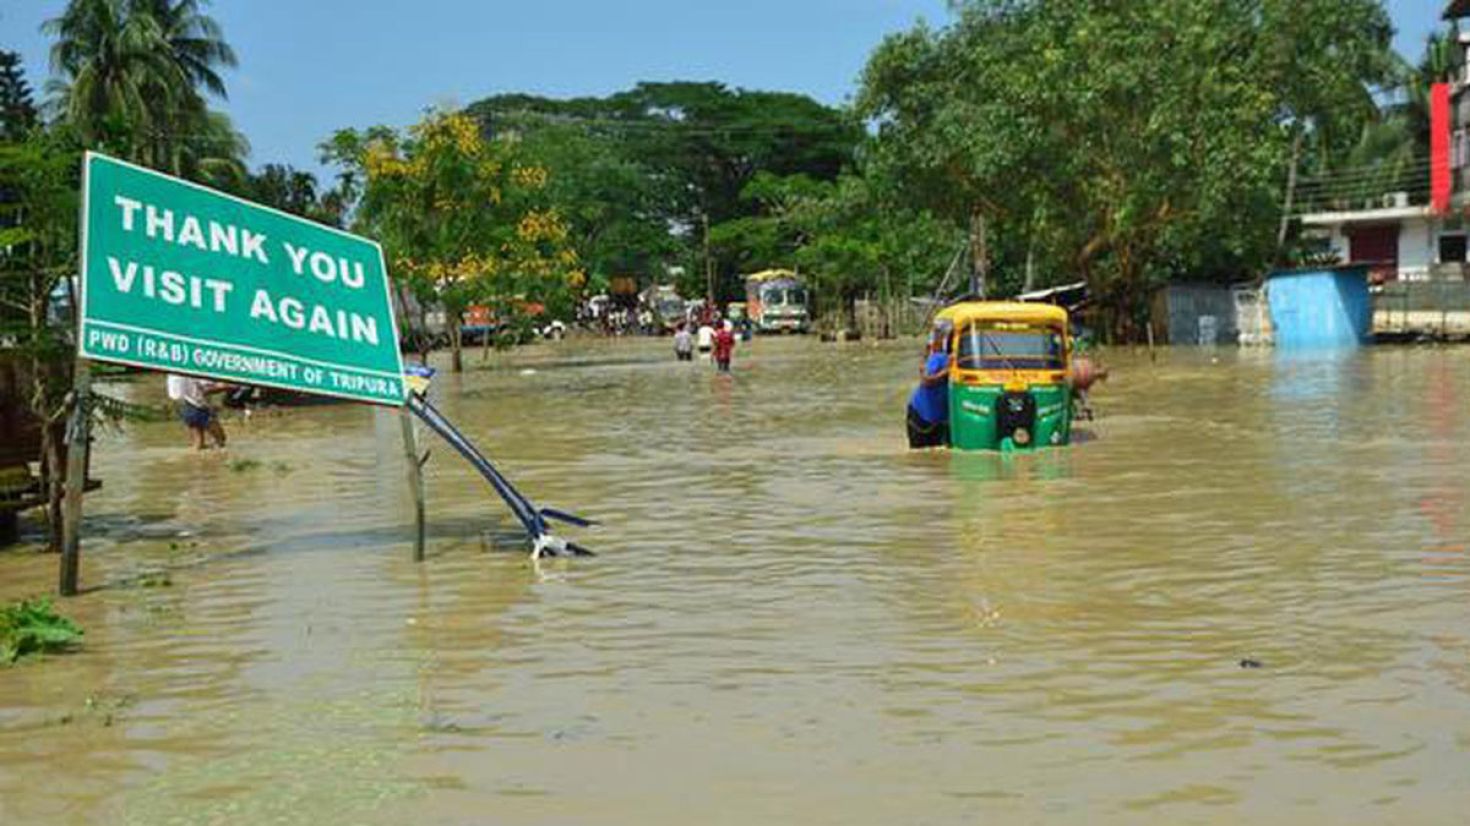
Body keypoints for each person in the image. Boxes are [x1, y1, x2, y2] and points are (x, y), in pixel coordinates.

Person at [906, 339, 951, 449]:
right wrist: (946, 371)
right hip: (922, 416)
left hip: (939, 418)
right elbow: (926, 381)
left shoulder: (949, 359)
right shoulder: (939, 358)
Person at [167, 373, 228, 450]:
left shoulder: (174, 373)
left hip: (184, 407)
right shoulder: (198, 371)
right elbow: (206, 389)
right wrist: (228, 387)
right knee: (220, 439)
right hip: (199, 407)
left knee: (198, 443)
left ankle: (194, 458)